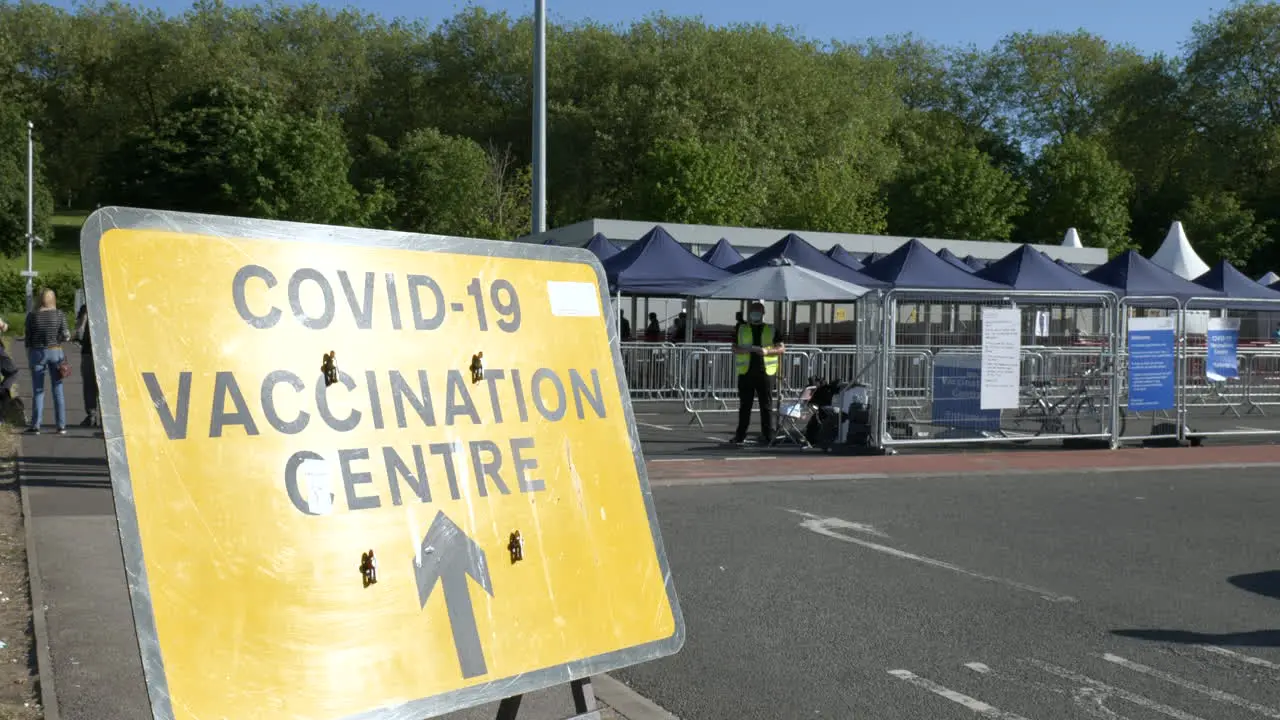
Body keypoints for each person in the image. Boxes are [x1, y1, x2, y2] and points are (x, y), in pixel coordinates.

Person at [731, 300, 784, 445]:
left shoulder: (771, 329)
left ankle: (768, 435)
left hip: (765, 372)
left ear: (763, 313)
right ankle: (740, 436)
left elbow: (781, 348)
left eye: (758, 311)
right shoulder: (741, 328)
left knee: (766, 406)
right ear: (749, 313)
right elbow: (734, 348)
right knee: (745, 406)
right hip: (746, 372)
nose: (755, 314)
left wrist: (767, 351)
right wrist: (747, 350)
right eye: (753, 311)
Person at [24, 288, 71, 435]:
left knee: (38, 390)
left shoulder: (32, 316)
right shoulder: (59, 314)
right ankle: (61, 426)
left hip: (37, 353)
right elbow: (66, 335)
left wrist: (29, 357)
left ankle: (36, 425)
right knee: (58, 389)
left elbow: (28, 339)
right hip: (55, 352)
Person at [75, 304, 99, 427]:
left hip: (88, 350)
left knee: (89, 385)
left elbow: (79, 330)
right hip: (107, 351)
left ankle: (92, 415)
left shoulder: (86, 307)